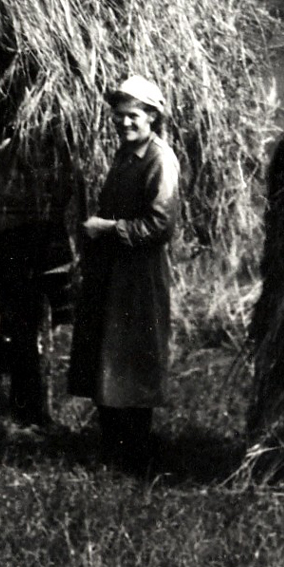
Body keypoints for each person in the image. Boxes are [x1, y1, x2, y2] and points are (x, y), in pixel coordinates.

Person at [68, 75, 181, 473]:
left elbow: (159, 225)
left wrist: (108, 229)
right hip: (114, 272)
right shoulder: (125, 156)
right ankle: (113, 451)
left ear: (152, 116)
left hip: (140, 275)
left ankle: (134, 457)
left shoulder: (159, 160)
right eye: (119, 116)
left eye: (132, 116)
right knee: (109, 356)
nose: (124, 123)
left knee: (134, 360)